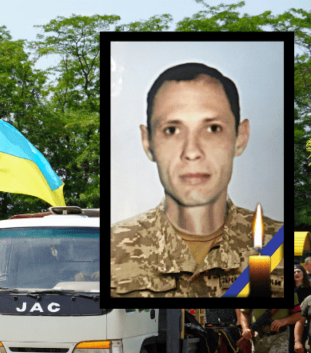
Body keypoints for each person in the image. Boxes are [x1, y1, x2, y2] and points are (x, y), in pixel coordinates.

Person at [110, 62, 283, 298]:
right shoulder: (111, 248)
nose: (191, 152)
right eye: (172, 130)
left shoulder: (279, 243)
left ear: (240, 137)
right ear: (147, 141)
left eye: (212, 128)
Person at [290, 267, 311, 353]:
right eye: (293, 272)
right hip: (293, 321)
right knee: (293, 350)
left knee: (305, 348)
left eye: (298, 271)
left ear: (303, 273)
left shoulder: (309, 289)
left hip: (307, 320)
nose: (296, 274)